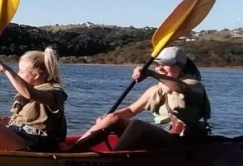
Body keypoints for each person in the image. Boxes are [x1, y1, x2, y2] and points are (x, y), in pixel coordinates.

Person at [78, 47, 211, 151]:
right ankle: (75, 149)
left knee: (138, 125)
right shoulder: (155, 90)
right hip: (159, 137)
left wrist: (151, 73)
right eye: (157, 65)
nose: (160, 68)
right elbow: (130, 110)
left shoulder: (194, 84)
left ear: (180, 67)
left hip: (181, 140)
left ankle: (114, 159)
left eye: (165, 64)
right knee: (113, 117)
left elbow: (183, 89)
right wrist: (105, 120)